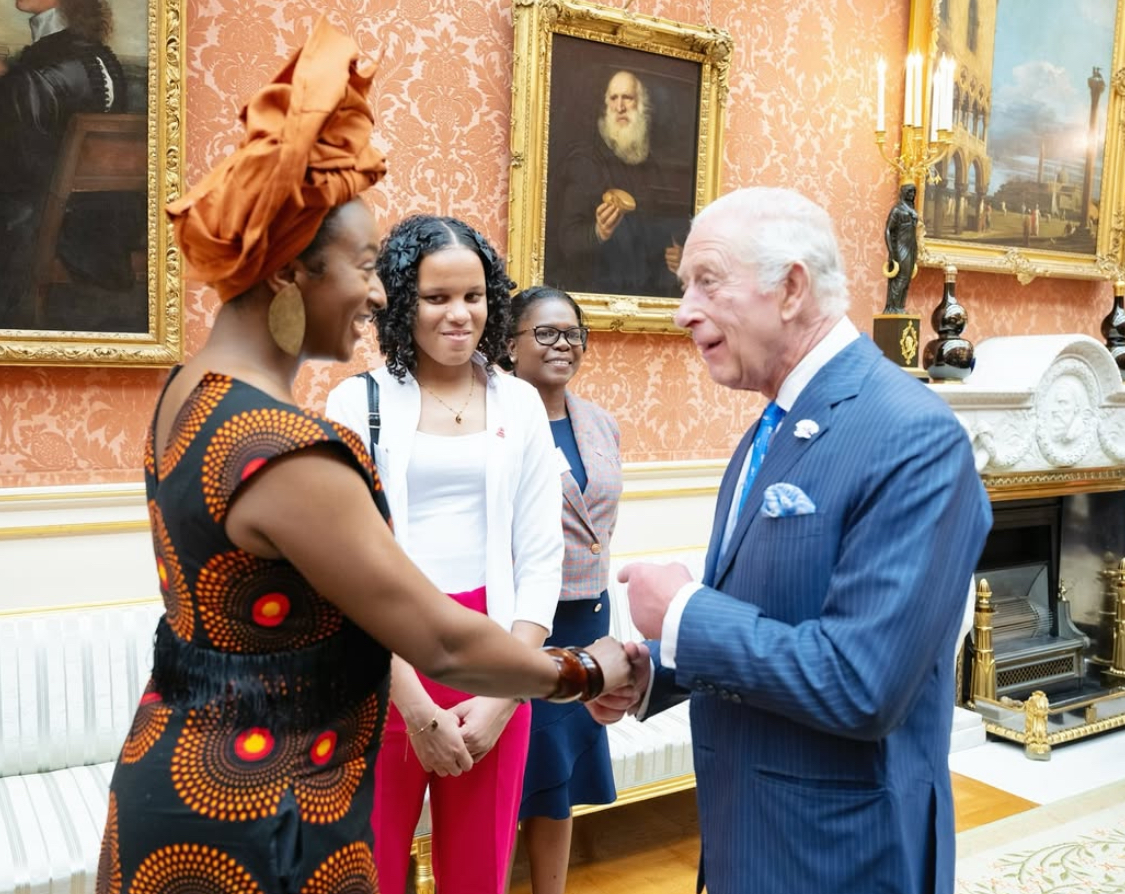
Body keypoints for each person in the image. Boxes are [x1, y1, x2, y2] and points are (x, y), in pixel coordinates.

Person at [95, 20, 631, 894]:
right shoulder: (289, 447)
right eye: (367, 266)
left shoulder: (186, 393)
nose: (379, 293)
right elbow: (443, 646)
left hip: (181, 777)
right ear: (286, 273)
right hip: (260, 819)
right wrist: (583, 671)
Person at [592, 187, 992, 894]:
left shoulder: (913, 436)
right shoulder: (768, 426)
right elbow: (777, 625)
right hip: (748, 838)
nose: (684, 309)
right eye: (684, 285)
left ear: (791, 288)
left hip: (843, 855)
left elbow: (862, 684)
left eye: (706, 282)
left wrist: (686, 613)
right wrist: (656, 668)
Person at [324, 216, 565, 894]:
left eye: (474, 295)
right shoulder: (356, 402)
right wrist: (414, 706)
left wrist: (506, 694)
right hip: (380, 666)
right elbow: (343, 570)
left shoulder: (519, 404)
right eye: (437, 298)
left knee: (478, 876)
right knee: (368, 872)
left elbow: (541, 558)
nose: (459, 314)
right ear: (402, 302)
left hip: (495, 654)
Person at [506, 286, 622, 894]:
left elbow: (599, 527)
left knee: (560, 784)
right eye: (545, 333)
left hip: (586, 624)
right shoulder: (496, 422)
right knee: (511, 779)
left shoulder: (599, 422)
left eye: (572, 333)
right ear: (510, 343)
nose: (563, 345)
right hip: (524, 624)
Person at [0, 0, 131, 324]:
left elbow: (18, 167)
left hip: (53, 227)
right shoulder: (97, 57)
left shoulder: (44, 69)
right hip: (106, 223)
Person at [544, 69, 688, 298]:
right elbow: (565, 241)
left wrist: (679, 260)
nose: (620, 106)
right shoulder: (585, 161)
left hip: (647, 298)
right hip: (594, 295)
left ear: (641, 105)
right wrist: (597, 232)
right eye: (614, 98)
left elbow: (662, 232)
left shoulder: (652, 164)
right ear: (606, 105)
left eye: (628, 98)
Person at [881, 181, 919, 314]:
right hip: (900, 247)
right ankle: (893, 307)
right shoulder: (897, 210)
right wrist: (891, 251)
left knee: (907, 279)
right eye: (909, 191)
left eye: (914, 192)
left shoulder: (912, 209)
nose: (912, 194)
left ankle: (901, 306)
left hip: (911, 246)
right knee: (901, 278)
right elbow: (888, 230)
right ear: (903, 193)